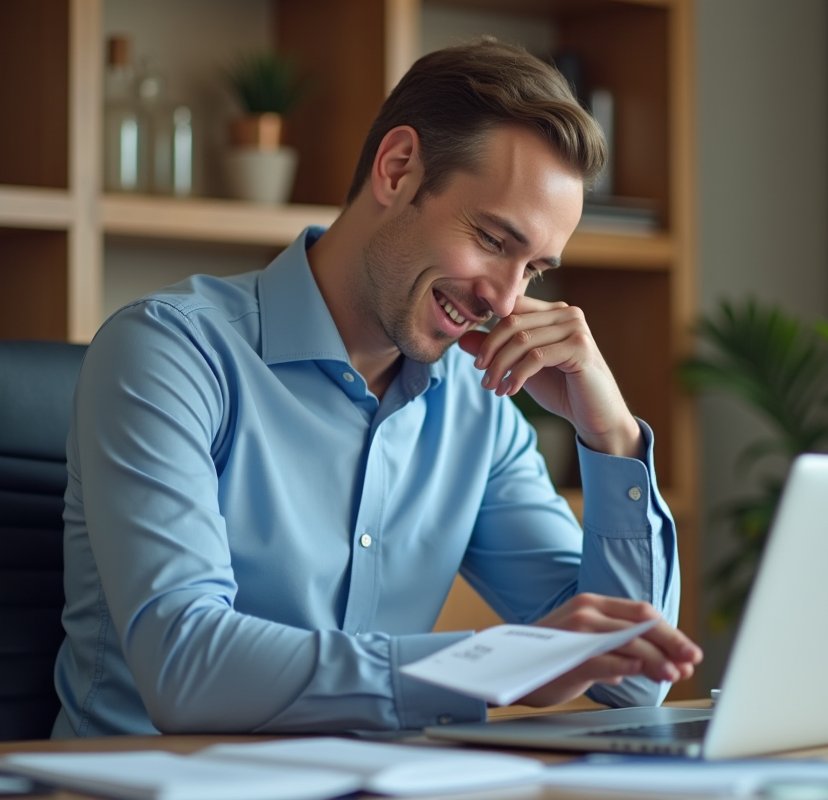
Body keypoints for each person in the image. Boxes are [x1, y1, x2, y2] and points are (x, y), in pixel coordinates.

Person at [52, 39, 702, 738]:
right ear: (397, 170)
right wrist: (483, 668)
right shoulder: (169, 353)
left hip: (377, 780)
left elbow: (632, 680)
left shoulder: (476, 406)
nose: (505, 301)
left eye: (534, 270)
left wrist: (612, 437)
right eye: (492, 240)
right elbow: (186, 667)